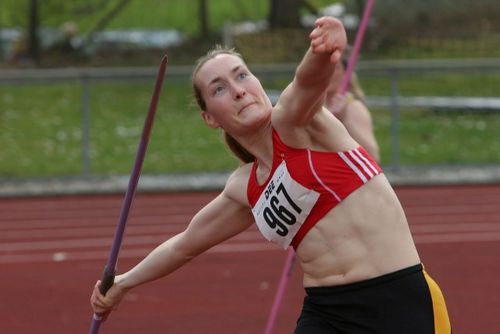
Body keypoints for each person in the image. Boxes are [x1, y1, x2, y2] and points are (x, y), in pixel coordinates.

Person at [91, 16, 451, 333]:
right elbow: (185, 244)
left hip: (397, 299)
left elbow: (307, 81)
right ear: (210, 117)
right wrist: (123, 283)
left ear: (258, 82)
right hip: (327, 312)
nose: (237, 90)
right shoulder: (244, 187)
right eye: (219, 88)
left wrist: (324, 49)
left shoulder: (297, 122)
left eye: (242, 75)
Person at [325, 48, 380, 161]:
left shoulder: (353, 107)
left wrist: (344, 121)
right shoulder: (315, 108)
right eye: (323, 67)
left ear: (345, 73)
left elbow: (373, 156)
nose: (328, 72)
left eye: (335, 67)